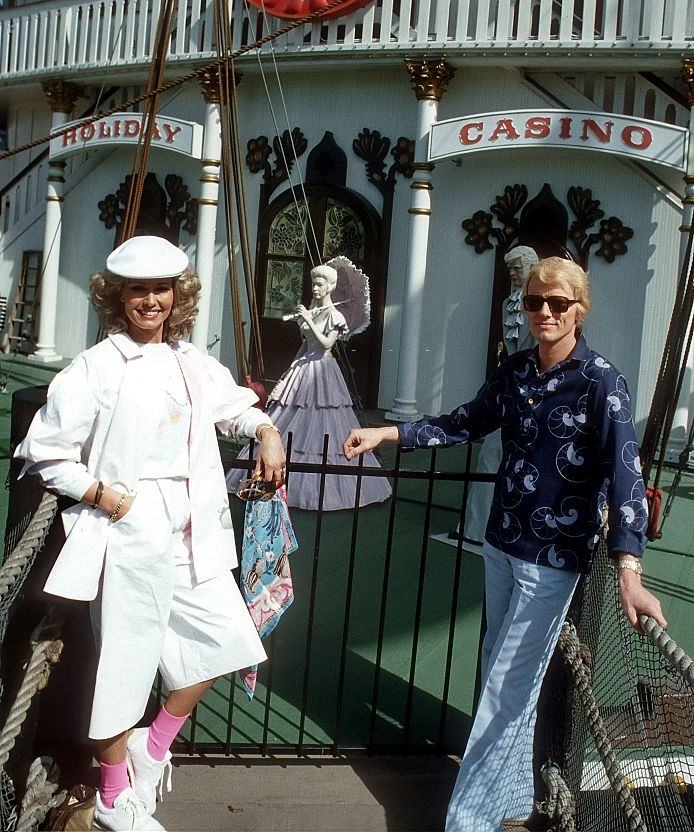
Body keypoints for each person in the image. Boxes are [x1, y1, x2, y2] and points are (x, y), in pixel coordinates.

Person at [343, 256, 666, 832]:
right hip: (501, 543)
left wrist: (629, 571)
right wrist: (393, 432)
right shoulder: (516, 370)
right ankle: (513, 794)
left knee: (507, 690)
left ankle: (468, 821)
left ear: (579, 310)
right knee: (498, 668)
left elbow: (625, 475)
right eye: (534, 302)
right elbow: (468, 420)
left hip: (554, 559)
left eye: (557, 303)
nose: (543, 312)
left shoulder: (601, 383)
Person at [15, 235, 285, 832]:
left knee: (224, 642)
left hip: (194, 532)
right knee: (124, 667)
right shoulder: (97, 367)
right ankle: (113, 798)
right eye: (138, 290)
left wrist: (266, 430)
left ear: (176, 295)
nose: (150, 301)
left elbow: (235, 407)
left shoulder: (190, 362)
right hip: (129, 532)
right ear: (117, 297)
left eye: (161, 289)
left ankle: (152, 746)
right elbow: (45, 451)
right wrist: (101, 494)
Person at [229, 264, 390, 510]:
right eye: (314, 283)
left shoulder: (335, 315)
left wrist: (308, 321)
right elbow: (306, 345)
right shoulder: (314, 308)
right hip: (304, 366)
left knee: (325, 420)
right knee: (288, 415)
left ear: (332, 286)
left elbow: (326, 344)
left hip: (322, 370)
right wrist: (292, 367)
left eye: (320, 284)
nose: (315, 288)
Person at [459, 245, 539, 551]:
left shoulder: (539, 307)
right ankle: (477, 528)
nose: (514, 274)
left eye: (518, 268)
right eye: (511, 269)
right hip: (510, 389)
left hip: (533, 391)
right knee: (490, 455)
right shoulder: (509, 303)